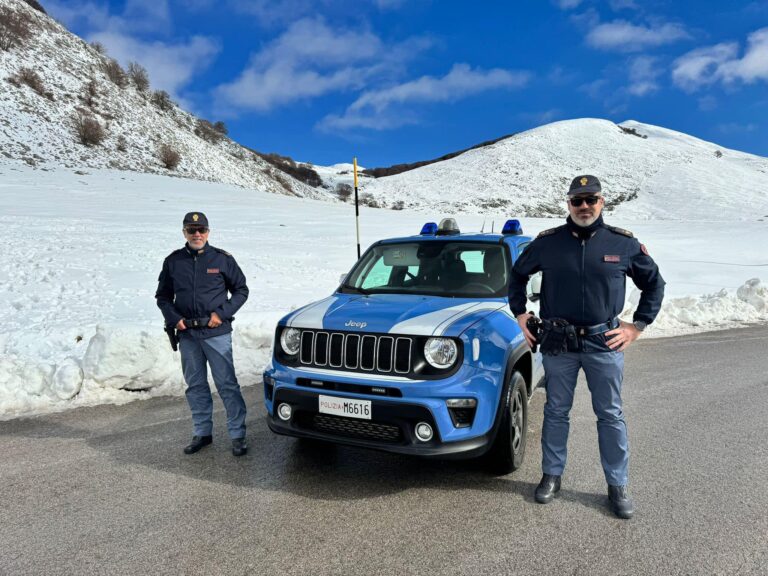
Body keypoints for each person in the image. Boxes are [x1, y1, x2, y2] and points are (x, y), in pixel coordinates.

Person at [508, 175, 665, 519]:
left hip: (603, 343)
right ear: (568, 204)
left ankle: (617, 484)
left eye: (590, 199)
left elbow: (654, 284)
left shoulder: (622, 243)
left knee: (610, 414)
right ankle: (551, 475)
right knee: (555, 412)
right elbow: (517, 276)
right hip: (558, 344)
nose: (584, 206)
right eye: (577, 200)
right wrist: (520, 314)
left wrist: (636, 327)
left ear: (601, 202)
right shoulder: (548, 243)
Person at [155, 212, 250, 457]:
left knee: (227, 385)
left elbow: (241, 290)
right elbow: (163, 297)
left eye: (201, 229)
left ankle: (238, 434)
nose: (197, 234)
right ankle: (202, 432)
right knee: (195, 386)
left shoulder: (222, 259)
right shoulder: (173, 261)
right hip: (188, 335)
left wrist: (222, 313)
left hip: (216, 332)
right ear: (184, 232)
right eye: (191, 229)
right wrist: (174, 319)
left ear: (208, 232)